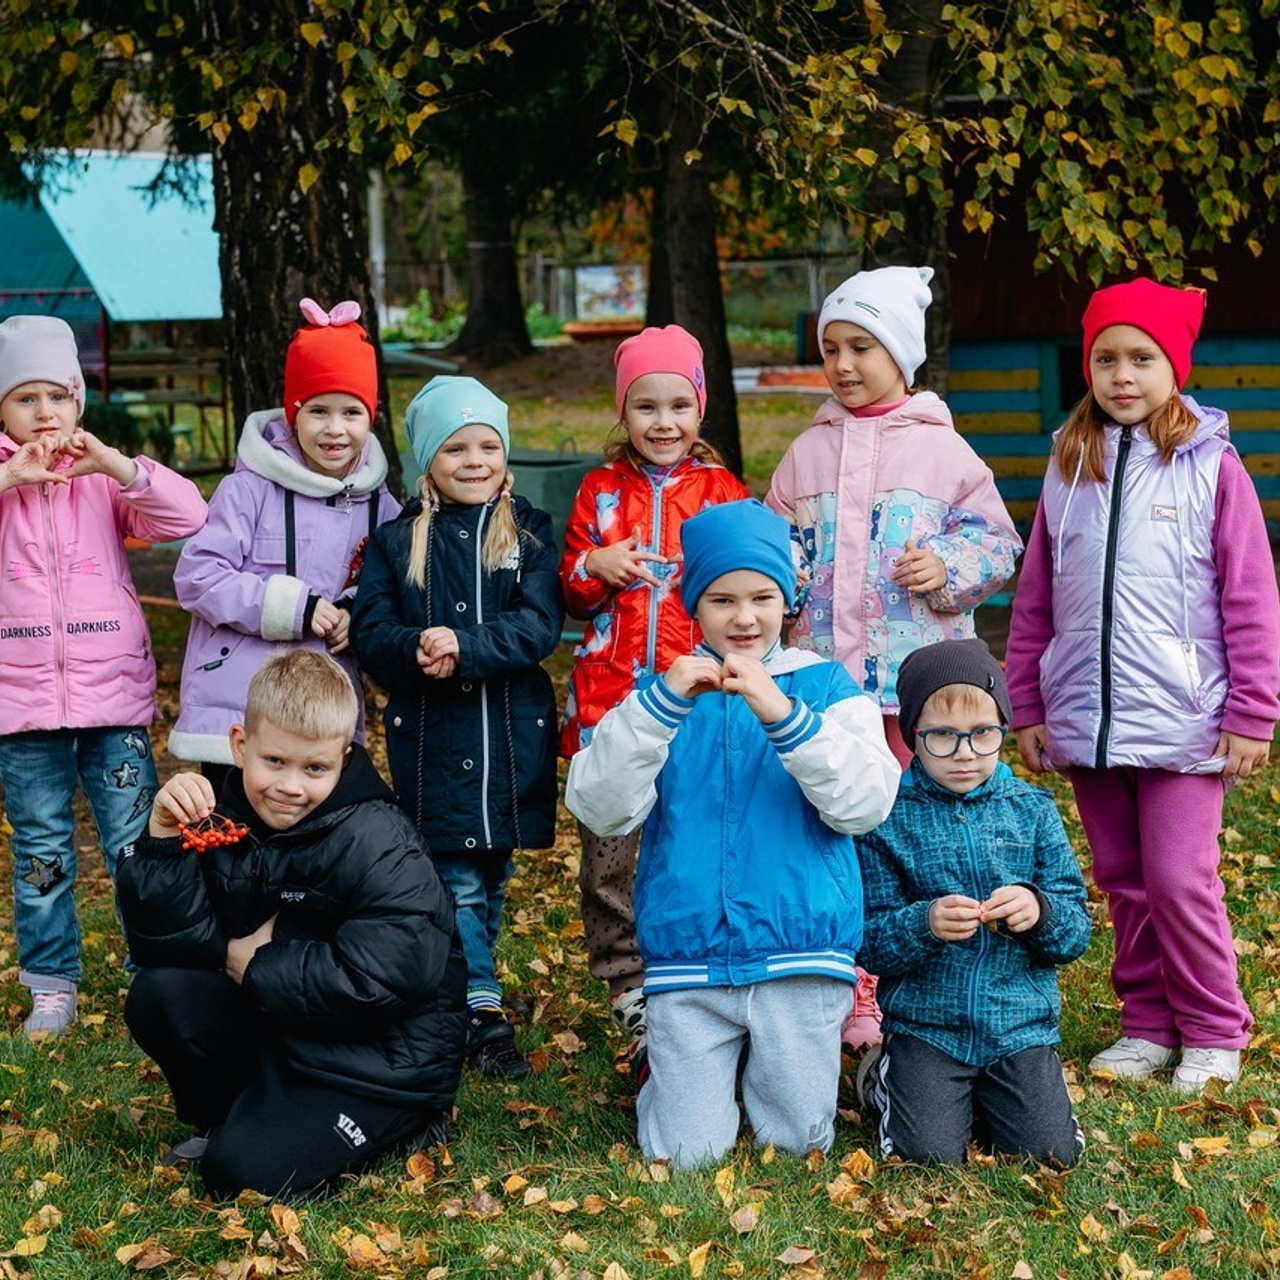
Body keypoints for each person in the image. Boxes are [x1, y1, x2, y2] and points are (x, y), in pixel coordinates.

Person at [1005, 277, 1280, 1094]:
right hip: (1086, 718)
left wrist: (1253, 713)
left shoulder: (1211, 467)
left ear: (1174, 365)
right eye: (1106, 357)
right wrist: (1029, 702)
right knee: (1123, 880)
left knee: (1179, 878)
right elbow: (1035, 599)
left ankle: (1212, 1027)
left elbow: (1251, 596)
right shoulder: (1067, 463)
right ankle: (1148, 1024)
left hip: (1187, 721)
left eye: (1143, 358)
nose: (1123, 374)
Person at [566, 499, 899, 1170]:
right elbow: (600, 807)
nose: (744, 618)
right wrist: (660, 708)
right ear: (696, 606)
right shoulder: (665, 693)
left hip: (797, 955)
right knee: (685, 1156)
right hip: (688, 957)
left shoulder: (826, 686)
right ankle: (656, 1062)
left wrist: (783, 714)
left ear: (788, 599)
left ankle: (827, 1062)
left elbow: (865, 804)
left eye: (761, 597)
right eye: (722, 600)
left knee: (799, 1142)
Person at [766, 265, 1023, 1050]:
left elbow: (998, 543)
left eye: (863, 347)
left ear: (902, 356)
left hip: (916, 694)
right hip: (826, 692)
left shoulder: (945, 454)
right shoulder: (805, 454)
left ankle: (924, 968)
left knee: (911, 831)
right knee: (832, 826)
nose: (843, 365)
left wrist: (949, 566)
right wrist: (785, 579)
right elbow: (778, 553)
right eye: (831, 348)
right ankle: (843, 980)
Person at [116, 649, 467, 1201]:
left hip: (378, 1063)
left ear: (345, 758)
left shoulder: (380, 841)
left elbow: (384, 978)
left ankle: (404, 1122)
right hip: (291, 1027)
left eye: (315, 768)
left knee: (239, 1175)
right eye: (274, 761)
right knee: (160, 993)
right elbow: (170, 944)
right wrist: (163, 841)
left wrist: (252, 960)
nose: (290, 787)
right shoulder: (225, 814)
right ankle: (231, 1114)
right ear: (239, 745)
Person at [0, 315, 207, 1039]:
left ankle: (151, 966)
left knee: (132, 841)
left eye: (56, 395)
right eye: (24, 399)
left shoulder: (102, 478)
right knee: (42, 848)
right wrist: (7, 479)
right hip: (20, 706)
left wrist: (118, 466)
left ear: (79, 402)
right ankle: (53, 984)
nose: (43, 414)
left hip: (112, 698)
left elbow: (189, 514)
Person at [350, 376, 563, 1081]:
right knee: (457, 880)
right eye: (456, 447)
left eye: (488, 445)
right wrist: (411, 649)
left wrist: (467, 647)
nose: (475, 460)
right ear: (426, 460)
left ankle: (474, 979)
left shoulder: (528, 534)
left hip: (507, 741)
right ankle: (478, 1005)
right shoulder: (395, 540)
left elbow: (538, 624)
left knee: (491, 874)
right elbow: (370, 627)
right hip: (435, 740)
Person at [560, 325, 748, 1057]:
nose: (662, 422)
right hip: (610, 703)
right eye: (645, 406)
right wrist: (596, 565)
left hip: (697, 701)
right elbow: (571, 596)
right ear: (623, 412)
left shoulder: (723, 493)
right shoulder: (599, 491)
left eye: (678, 404)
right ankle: (625, 983)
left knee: (690, 839)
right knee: (611, 851)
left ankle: (688, 971)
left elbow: (747, 594)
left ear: (699, 408)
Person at [854, 639, 1090, 1166]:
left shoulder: (1032, 811)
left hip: (1018, 1026)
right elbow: (869, 941)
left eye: (982, 735)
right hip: (927, 1027)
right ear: (913, 734)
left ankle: (990, 1098)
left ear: (1002, 731)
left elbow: (1076, 929)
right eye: (942, 736)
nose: (964, 753)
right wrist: (925, 923)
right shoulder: (887, 819)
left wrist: (1039, 911)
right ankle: (882, 1075)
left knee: (1050, 1154)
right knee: (926, 1156)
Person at [168, 298, 399, 786]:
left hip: (323, 714)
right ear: (294, 412)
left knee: (313, 842)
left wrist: (358, 616)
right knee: (234, 840)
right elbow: (198, 576)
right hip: (241, 710)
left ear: (371, 416)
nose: (334, 429)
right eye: (318, 411)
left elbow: (395, 586)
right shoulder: (249, 488)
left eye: (351, 412)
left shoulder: (381, 507)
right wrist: (292, 607)